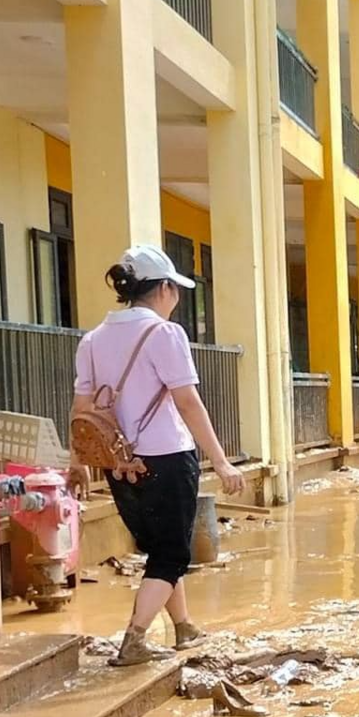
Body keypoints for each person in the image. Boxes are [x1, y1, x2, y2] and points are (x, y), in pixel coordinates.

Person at [71, 244, 244, 666]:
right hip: (167, 459)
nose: (177, 298)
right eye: (176, 290)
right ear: (164, 288)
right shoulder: (164, 334)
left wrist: (76, 463)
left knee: (161, 550)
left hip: (120, 466)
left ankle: (183, 627)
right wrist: (220, 460)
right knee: (171, 555)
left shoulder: (92, 340)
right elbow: (188, 402)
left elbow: (81, 411)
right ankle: (134, 639)